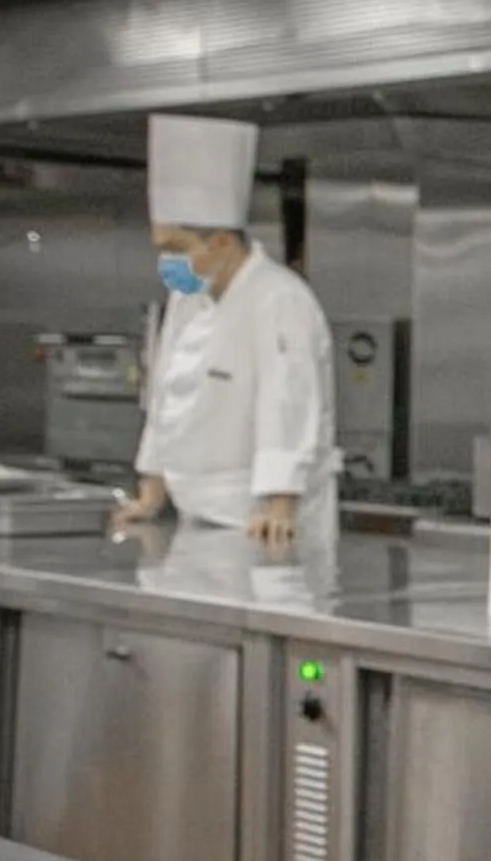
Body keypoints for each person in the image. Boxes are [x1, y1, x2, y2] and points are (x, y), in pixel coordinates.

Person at [112, 114, 336, 555]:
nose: (167, 262)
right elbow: (164, 398)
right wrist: (152, 491)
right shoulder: (187, 297)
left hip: (260, 523)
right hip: (194, 518)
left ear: (221, 244)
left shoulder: (278, 298)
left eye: (176, 248)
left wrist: (280, 505)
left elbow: (287, 403)